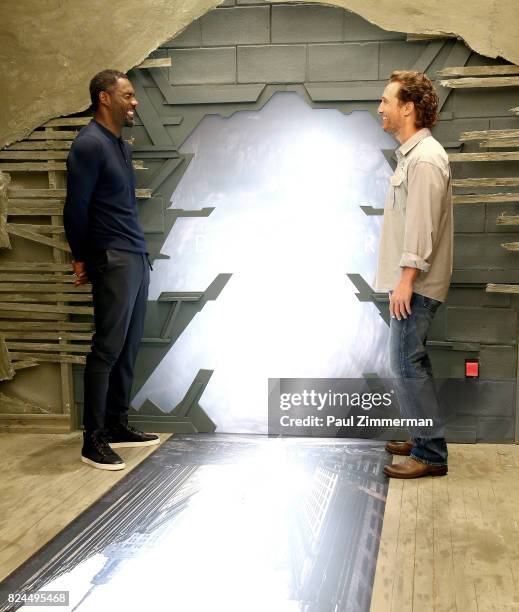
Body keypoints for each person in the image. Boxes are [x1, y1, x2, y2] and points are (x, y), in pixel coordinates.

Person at [64, 69, 159, 471]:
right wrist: (83, 256)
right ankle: (94, 439)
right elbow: (75, 208)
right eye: (128, 95)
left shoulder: (118, 143)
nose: (134, 101)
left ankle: (118, 424)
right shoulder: (88, 144)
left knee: (128, 346)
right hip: (112, 256)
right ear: (105, 98)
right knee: (106, 349)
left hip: (134, 255)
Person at [375, 70, 453, 479]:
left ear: (408, 108)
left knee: (407, 363)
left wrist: (405, 280)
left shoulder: (424, 159)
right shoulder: (414, 155)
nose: (381, 108)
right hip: (410, 281)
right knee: (408, 363)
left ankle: (430, 454)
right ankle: (424, 437)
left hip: (417, 283)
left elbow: (422, 227)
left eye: (386, 101)